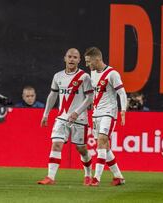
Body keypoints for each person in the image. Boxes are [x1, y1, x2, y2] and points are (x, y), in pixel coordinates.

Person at [37, 48, 94, 186]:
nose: (72, 59)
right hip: (62, 117)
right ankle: (50, 177)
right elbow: (53, 95)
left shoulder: (84, 77)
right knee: (56, 145)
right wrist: (46, 114)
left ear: (79, 60)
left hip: (79, 119)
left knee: (81, 149)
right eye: (70, 57)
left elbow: (90, 97)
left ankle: (88, 174)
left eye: (75, 57)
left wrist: (77, 112)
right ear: (65, 58)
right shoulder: (58, 76)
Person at [84, 47, 127, 186]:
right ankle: (118, 177)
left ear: (97, 59)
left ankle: (96, 178)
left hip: (109, 113)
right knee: (105, 147)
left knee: (102, 141)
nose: (87, 65)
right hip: (96, 114)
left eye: (89, 61)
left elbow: (122, 93)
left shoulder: (112, 74)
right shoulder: (92, 73)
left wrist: (123, 110)